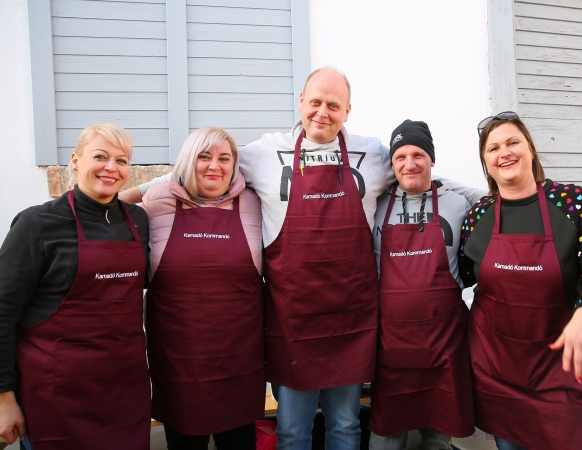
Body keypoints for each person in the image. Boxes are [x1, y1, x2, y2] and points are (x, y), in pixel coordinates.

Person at [122, 67, 395, 450]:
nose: (322, 112)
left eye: (333, 105)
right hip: (292, 319)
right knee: (291, 430)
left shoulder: (376, 154)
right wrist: (118, 200)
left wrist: (481, 199)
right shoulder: (264, 152)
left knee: (347, 425)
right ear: (301, 102)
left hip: (350, 318)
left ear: (347, 110)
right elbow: (186, 174)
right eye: (315, 102)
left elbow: (420, 175)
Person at [458, 112, 582, 450]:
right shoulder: (478, 216)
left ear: (531, 150)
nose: (504, 152)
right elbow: (461, 277)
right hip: (497, 368)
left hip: (559, 368)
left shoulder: (573, 203)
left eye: (512, 142)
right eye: (493, 148)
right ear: (486, 163)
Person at [0, 124, 151, 449]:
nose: (111, 167)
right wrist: (4, 399)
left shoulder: (137, 221)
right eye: (100, 156)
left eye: (121, 160)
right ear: (76, 160)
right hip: (55, 394)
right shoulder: (37, 224)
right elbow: (2, 314)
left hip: (125, 391)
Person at [142, 127, 263, 449]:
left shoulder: (254, 203)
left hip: (239, 360)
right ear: (187, 161)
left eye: (225, 158)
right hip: (178, 362)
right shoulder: (156, 203)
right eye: (204, 157)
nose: (215, 166)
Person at [368, 120, 475, 450]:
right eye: (400, 157)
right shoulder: (375, 205)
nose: (409, 164)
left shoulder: (461, 204)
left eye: (418, 155)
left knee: (437, 440)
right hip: (391, 347)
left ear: (431, 159)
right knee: (384, 439)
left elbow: (500, 197)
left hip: (444, 344)